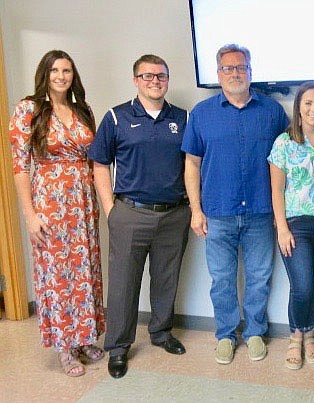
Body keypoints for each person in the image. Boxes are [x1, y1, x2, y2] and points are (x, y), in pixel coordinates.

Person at [182, 44, 289, 365]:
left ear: (250, 72)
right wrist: (195, 209)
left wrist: (282, 213)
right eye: (228, 69)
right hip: (217, 214)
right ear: (218, 75)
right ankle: (226, 335)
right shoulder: (202, 114)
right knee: (222, 280)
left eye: (240, 68)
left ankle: (255, 331)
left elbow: (285, 163)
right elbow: (191, 164)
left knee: (259, 277)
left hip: (260, 212)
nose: (235, 73)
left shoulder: (272, 112)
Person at [89, 54, 191, 379]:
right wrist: (110, 209)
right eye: (147, 76)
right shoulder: (117, 118)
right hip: (130, 214)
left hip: (174, 214)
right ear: (136, 80)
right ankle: (118, 348)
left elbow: (193, 163)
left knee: (166, 278)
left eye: (160, 76)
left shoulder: (183, 118)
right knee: (123, 284)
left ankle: (161, 333)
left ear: (167, 80)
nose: (154, 81)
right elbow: (100, 163)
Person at [9, 49, 105, 377]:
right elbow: (20, 166)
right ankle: (65, 346)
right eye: (55, 71)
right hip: (49, 203)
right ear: (45, 75)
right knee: (58, 276)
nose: (61, 76)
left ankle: (83, 337)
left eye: (66, 70)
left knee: (84, 273)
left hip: (83, 204)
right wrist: (29, 215)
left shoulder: (82, 110)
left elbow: (97, 158)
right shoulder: (29, 109)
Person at [268, 81, 314, 370]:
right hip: (295, 225)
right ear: (298, 107)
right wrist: (282, 228)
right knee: (301, 285)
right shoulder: (284, 143)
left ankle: (310, 334)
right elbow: (276, 190)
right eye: (308, 103)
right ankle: (295, 337)